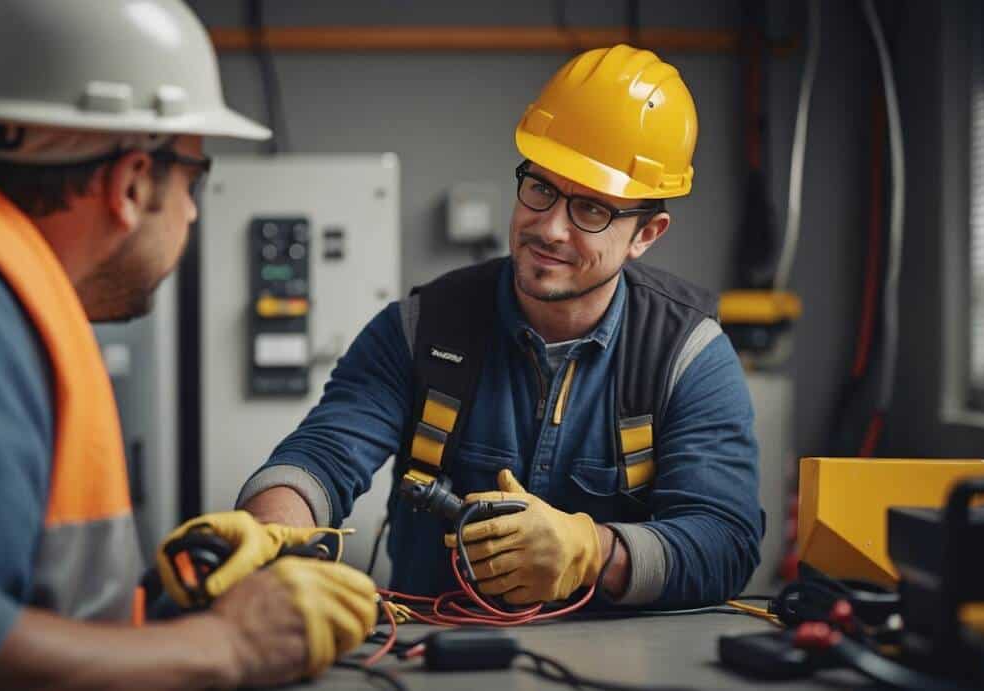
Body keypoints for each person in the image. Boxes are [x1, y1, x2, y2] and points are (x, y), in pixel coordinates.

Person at [0, 1, 376, 689]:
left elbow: (9, 598)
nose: (191, 210)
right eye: (194, 178)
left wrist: (175, 596)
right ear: (130, 183)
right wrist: (227, 644)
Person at [237, 44, 764, 608]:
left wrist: (592, 551)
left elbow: (726, 542)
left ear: (646, 234)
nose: (552, 228)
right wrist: (268, 537)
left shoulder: (685, 355)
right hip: (435, 656)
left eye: (591, 210)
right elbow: (320, 459)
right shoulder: (422, 330)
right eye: (541, 188)